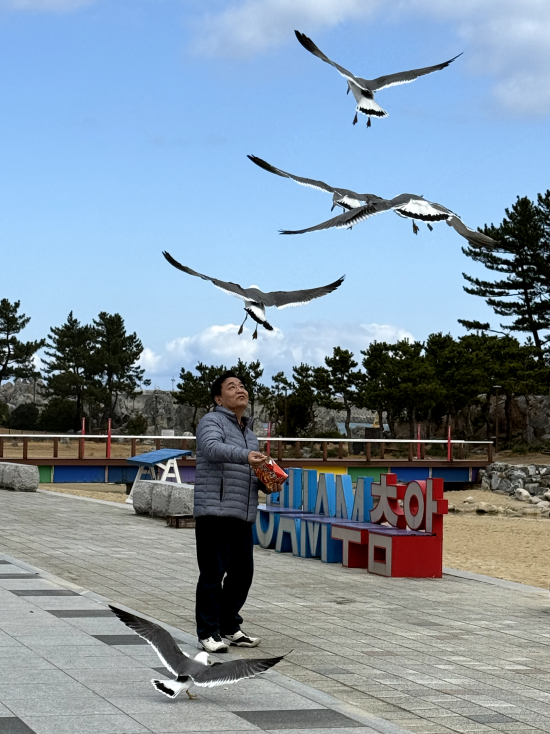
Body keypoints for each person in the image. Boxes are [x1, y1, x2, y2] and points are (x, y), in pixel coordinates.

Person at [194, 370, 266, 653]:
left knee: (242, 575)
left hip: (242, 514)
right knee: (212, 575)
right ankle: (208, 632)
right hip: (215, 511)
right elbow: (212, 449)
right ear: (218, 398)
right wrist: (246, 456)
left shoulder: (250, 434)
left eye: (243, 386)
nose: (240, 390)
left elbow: (248, 471)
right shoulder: (211, 421)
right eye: (232, 386)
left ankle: (229, 626)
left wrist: (267, 481)